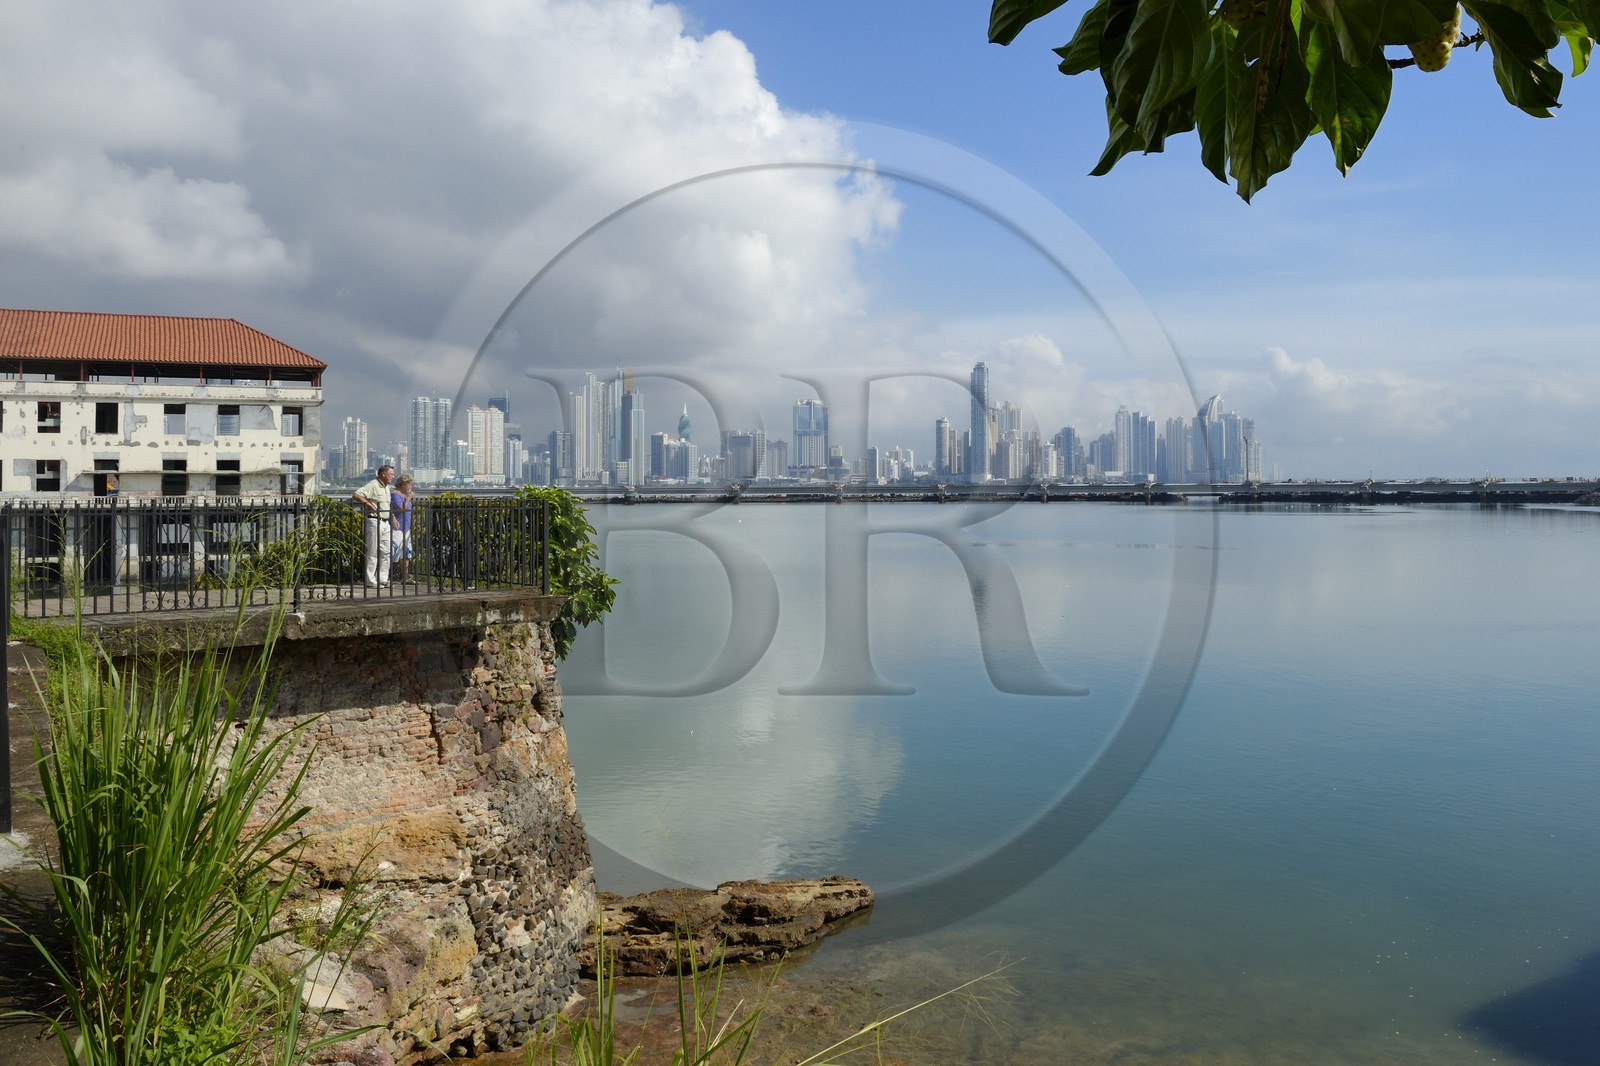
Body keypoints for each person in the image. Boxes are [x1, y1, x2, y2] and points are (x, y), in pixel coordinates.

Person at [352, 465, 395, 587]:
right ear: (383, 474)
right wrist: (368, 504)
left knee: (386, 551)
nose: (392, 477)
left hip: (385, 521)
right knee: (373, 551)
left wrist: (392, 517)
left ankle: (382, 578)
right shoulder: (373, 484)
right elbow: (356, 494)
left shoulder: (386, 487)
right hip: (374, 520)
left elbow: (386, 505)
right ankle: (370, 580)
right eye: (391, 474)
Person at [390, 474, 417, 584]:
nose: (410, 487)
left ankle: (405, 576)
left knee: (406, 552)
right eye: (409, 484)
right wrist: (409, 499)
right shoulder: (395, 495)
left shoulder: (404, 495)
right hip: (397, 528)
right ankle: (386, 575)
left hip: (406, 528)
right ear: (404, 484)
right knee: (394, 551)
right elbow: (402, 509)